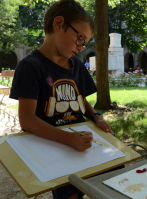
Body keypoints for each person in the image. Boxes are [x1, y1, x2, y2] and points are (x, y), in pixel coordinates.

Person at [9, 1, 113, 199]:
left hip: (83, 140)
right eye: (80, 38)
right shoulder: (30, 66)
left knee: (114, 181)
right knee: (70, 193)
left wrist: (96, 116)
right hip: (54, 147)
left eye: (84, 43)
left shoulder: (77, 65)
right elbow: (27, 120)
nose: (81, 47)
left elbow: (80, 100)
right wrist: (68, 139)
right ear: (58, 24)